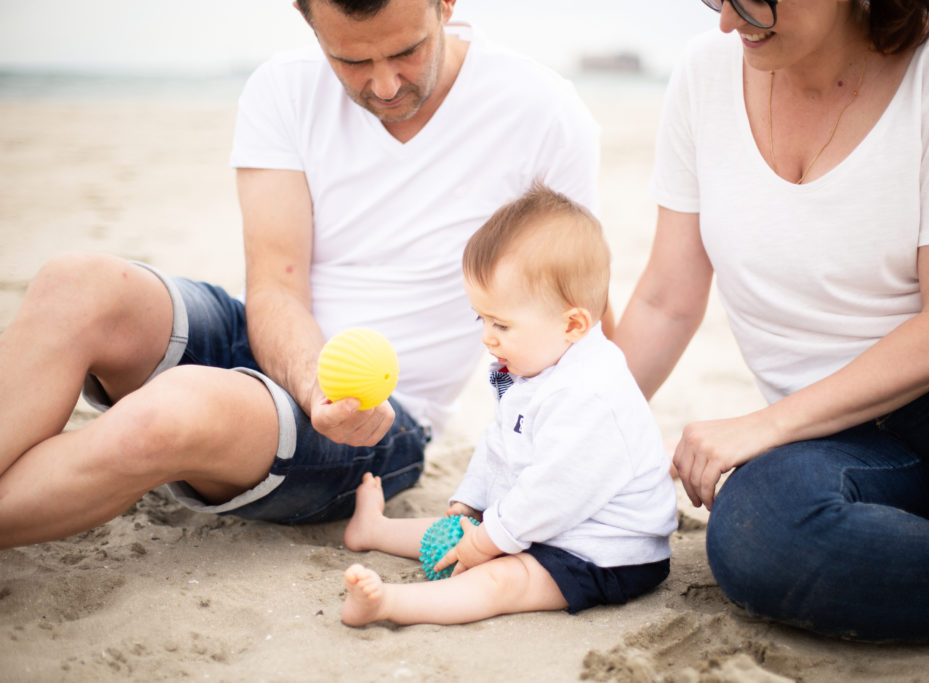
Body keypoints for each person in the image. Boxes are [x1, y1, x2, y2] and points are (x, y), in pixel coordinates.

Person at [0, 0, 600, 548]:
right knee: (76, 282)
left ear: (446, 4)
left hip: (382, 419)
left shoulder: (542, 111)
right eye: (352, 60)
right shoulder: (282, 87)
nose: (385, 84)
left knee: (170, 411)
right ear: (305, 16)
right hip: (272, 342)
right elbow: (275, 286)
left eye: (406, 51)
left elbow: (577, 309)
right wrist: (314, 389)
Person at [614, 0, 929, 642]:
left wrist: (762, 426)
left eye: (752, 1)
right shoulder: (703, 77)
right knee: (760, 530)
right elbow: (666, 299)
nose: (728, 22)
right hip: (831, 435)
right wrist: (562, 429)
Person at [339, 185, 677, 626]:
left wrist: (489, 540)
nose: (487, 337)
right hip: (544, 519)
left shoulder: (589, 394)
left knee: (501, 579)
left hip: (603, 550)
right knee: (456, 532)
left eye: (501, 323)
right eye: (482, 318)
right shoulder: (528, 364)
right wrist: (471, 504)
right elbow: (500, 442)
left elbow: (554, 492)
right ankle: (375, 530)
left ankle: (389, 605)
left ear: (572, 323)